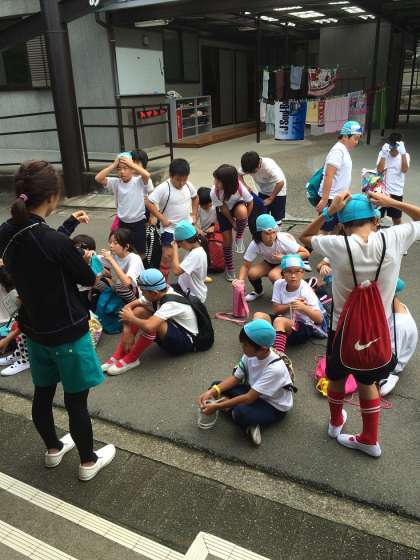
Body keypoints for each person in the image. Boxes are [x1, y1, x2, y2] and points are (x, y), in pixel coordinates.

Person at [0, 160, 115, 481]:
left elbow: (40, 248)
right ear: (52, 196)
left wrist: (67, 226)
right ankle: (88, 461)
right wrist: (88, 262)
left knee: (43, 393)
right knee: (76, 401)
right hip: (68, 333)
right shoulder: (54, 242)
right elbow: (86, 278)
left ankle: (53, 449)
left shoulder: (6, 232)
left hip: (34, 330)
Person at [300, 191, 420, 458]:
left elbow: (305, 238)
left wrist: (329, 211)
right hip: (377, 330)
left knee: (336, 377)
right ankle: (369, 438)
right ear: (376, 221)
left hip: (341, 328)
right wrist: (392, 203)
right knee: (368, 381)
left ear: (343, 226)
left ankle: (335, 423)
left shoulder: (338, 245)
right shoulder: (394, 237)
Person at [197, 319, 293, 446]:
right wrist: (212, 391)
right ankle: (234, 409)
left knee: (240, 413)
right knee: (215, 385)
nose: (242, 348)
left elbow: (249, 398)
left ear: (263, 349)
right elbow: (235, 378)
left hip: (272, 405)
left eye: (246, 345)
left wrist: (217, 406)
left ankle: (250, 423)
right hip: (254, 391)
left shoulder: (275, 369)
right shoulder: (250, 355)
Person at [102, 269, 198, 375]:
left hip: (185, 343)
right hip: (174, 329)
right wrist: (127, 332)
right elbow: (128, 307)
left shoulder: (171, 303)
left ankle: (132, 358)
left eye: (143, 292)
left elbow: (149, 326)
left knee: (153, 323)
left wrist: (131, 319)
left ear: (154, 293)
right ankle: (120, 353)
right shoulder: (160, 291)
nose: (142, 294)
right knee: (139, 310)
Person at [253, 255, 325, 354]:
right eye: (289, 271)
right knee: (258, 316)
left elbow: (319, 319)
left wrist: (304, 308)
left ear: (302, 273)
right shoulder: (279, 284)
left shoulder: (306, 290)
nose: (293, 275)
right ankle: (260, 345)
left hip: (303, 327)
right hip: (284, 320)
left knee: (279, 321)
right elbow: (276, 310)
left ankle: (278, 356)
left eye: (297, 271)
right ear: (283, 273)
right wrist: (290, 305)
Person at [235, 214, 309, 302]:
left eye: (274, 232)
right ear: (259, 233)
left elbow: (305, 253)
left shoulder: (282, 239)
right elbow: (246, 265)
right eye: (267, 233)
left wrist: (285, 258)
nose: (271, 236)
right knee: (252, 274)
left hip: (288, 263)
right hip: (270, 262)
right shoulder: (255, 243)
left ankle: (285, 296)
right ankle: (258, 291)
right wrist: (240, 281)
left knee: (273, 275)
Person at [145, 158, 198, 280]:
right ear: (171, 175)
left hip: (187, 226)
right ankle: (162, 283)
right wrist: (161, 218)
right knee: (167, 256)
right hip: (170, 228)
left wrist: (194, 214)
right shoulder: (164, 188)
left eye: (184, 179)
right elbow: (148, 202)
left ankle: (195, 276)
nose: (181, 183)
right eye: (178, 179)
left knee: (195, 251)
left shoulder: (188, 185)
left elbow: (195, 198)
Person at [95, 151, 153, 257]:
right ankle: (125, 266)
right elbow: (98, 178)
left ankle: (138, 267)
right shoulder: (116, 183)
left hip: (138, 222)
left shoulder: (138, 181)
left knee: (141, 251)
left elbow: (146, 175)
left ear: (132, 169)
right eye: (119, 169)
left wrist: (131, 164)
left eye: (125, 168)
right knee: (123, 250)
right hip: (123, 223)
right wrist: (113, 165)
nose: (122, 172)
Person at [316, 121, 363, 231]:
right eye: (355, 139)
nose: (356, 142)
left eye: (358, 139)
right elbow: (329, 175)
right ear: (345, 137)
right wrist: (324, 199)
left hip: (339, 197)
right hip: (331, 199)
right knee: (324, 231)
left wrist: (347, 192)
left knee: (337, 228)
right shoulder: (337, 151)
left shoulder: (344, 150)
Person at [210, 164, 254, 281]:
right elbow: (223, 208)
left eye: (218, 181)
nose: (215, 183)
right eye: (215, 179)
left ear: (228, 183)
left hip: (236, 206)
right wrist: (232, 222)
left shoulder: (240, 188)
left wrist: (244, 221)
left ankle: (239, 237)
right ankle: (230, 268)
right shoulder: (214, 192)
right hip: (223, 212)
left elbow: (250, 203)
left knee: (242, 211)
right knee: (227, 240)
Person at [379, 278, 418, 397]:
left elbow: (389, 359)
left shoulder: (399, 325)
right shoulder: (399, 306)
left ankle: (387, 379)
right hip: (394, 348)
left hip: (394, 364)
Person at [240, 151, 287, 226]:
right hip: (263, 191)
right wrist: (246, 186)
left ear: (258, 165)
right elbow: (239, 175)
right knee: (261, 215)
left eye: (253, 171)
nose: (251, 173)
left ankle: (277, 232)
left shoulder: (269, 166)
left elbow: (280, 182)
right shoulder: (248, 165)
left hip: (278, 191)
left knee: (277, 218)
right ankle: (262, 233)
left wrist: (271, 198)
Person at [98, 228, 144, 304]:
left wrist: (111, 260)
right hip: (120, 289)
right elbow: (95, 259)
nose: (111, 246)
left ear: (126, 246)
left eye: (115, 243)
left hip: (137, 294)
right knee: (98, 282)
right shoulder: (114, 255)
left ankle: (134, 305)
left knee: (120, 286)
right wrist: (90, 254)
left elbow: (127, 282)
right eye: (110, 242)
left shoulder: (134, 258)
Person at [377, 133, 410, 226]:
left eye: (395, 148)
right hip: (382, 191)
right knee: (376, 218)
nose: (393, 151)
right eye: (392, 148)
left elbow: (404, 170)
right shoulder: (384, 152)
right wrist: (383, 155)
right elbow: (380, 170)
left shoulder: (405, 155)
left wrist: (403, 154)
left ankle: (401, 234)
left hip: (396, 192)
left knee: (397, 219)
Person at [172, 221, 208, 303]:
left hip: (193, 296)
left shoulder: (196, 254)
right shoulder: (195, 249)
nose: (180, 247)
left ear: (184, 242)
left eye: (179, 244)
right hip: (188, 291)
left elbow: (176, 271)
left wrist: (174, 249)